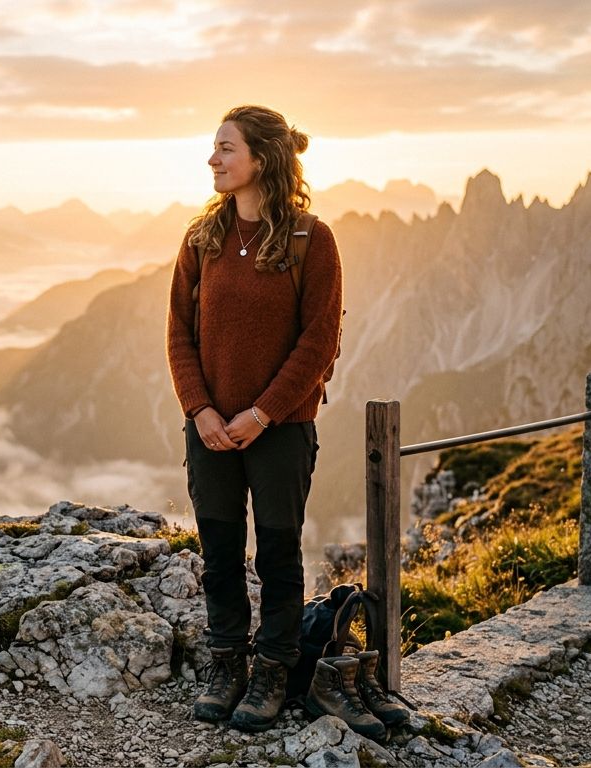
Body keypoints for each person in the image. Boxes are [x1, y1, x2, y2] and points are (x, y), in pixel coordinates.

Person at [165, 105, 342, 732]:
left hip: (282, 429)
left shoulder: (309, 240)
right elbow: (178, 338)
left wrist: (263, 413)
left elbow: (319, 342)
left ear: (261, 160)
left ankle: (272, 672)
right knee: (217, 551)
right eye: (214, 149)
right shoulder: (201, 240)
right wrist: (202, 410)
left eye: (225, 149)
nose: (213, 160)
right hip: (209, 427)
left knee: (277, 553)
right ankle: (226, 664)